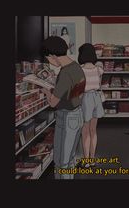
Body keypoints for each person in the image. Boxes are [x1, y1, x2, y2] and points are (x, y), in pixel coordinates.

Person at [41, 36, 86, 179]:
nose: (49, 61)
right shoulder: (76, 67)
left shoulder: (65, 72)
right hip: (77, 114)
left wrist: (47, 92)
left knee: (61, 162)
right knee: (69, 158)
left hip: (67, 117)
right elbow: (77, 93)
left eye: (48, 58)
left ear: (53, 56)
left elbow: (53, 103)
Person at [78, 44, 105, 168]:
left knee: (85, 132)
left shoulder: (80, 70)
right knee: (93, 131)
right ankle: (92, 159)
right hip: (96, 99)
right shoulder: (99, 69)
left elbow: (79, 90)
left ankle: (86, 161)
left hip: (85, 98)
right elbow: (99, 85)